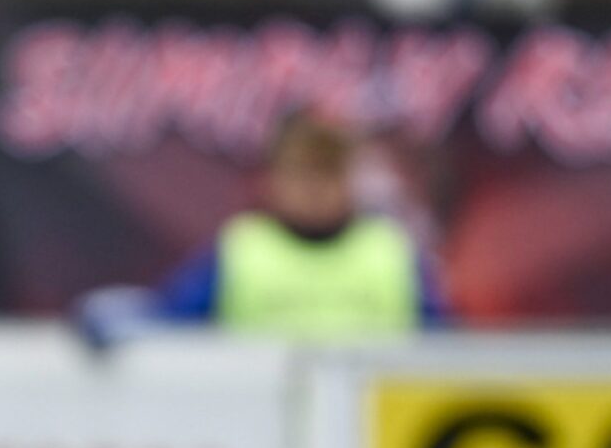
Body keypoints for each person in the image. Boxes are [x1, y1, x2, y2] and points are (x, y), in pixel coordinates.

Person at [119, 110, 448, 342]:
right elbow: (164, 330)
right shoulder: (239, 252)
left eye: (328, 171)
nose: (315, 187)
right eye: (302, 172)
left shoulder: (392, 254)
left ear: (352, 179)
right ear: (271, 179)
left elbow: (451, 352)